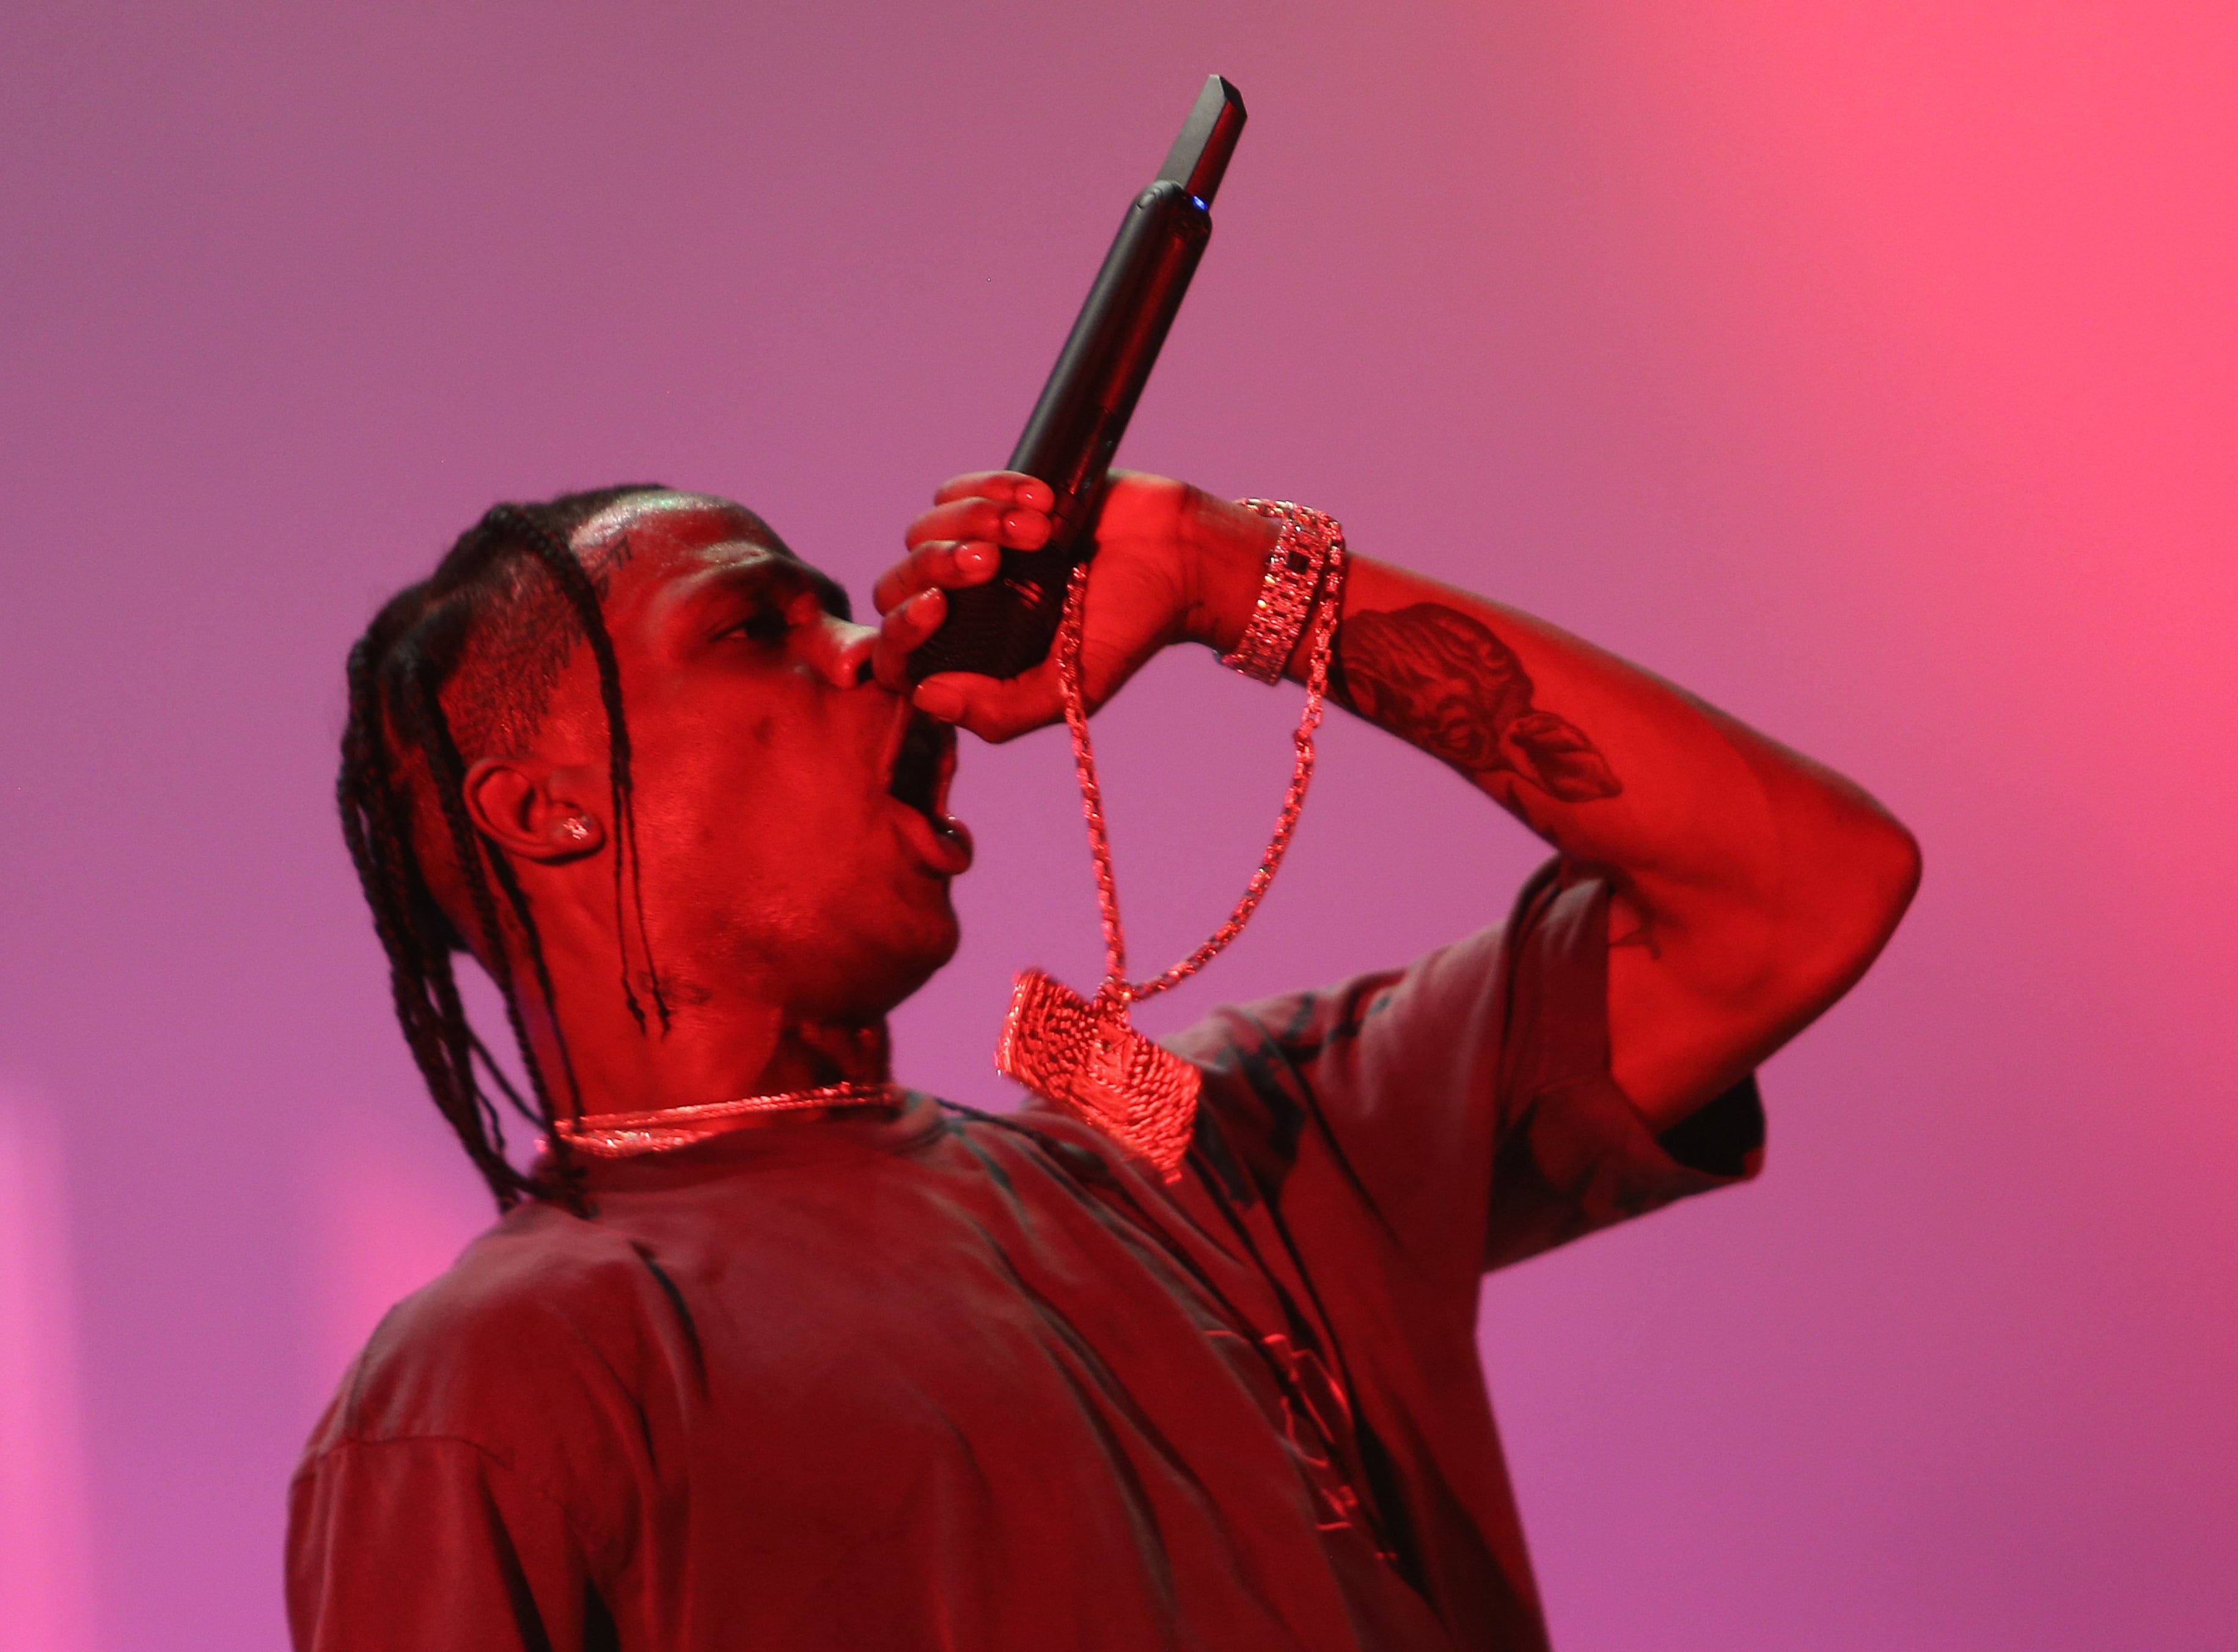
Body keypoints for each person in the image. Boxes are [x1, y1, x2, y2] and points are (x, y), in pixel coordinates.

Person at [289, 468, 1918, 1650]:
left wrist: (1225, 571)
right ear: (546, 809)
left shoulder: (1208, 1160)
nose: (872, 646)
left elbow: (1798, 892)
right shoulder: (503, 1380)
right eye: (752, 627)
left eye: (835, 604)